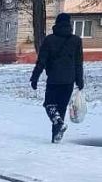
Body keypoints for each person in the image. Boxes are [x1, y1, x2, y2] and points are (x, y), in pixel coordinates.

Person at [30, 13, 84, 143]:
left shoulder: (50, 40)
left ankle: (58, 124)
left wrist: (35, 77)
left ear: (57, 23)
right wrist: (79, 80)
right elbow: (78, 62)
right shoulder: (76, 40)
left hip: (54, 78)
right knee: (61, 108)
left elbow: (41, 61)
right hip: (69, 80)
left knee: (49, 104)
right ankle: (56, 136)